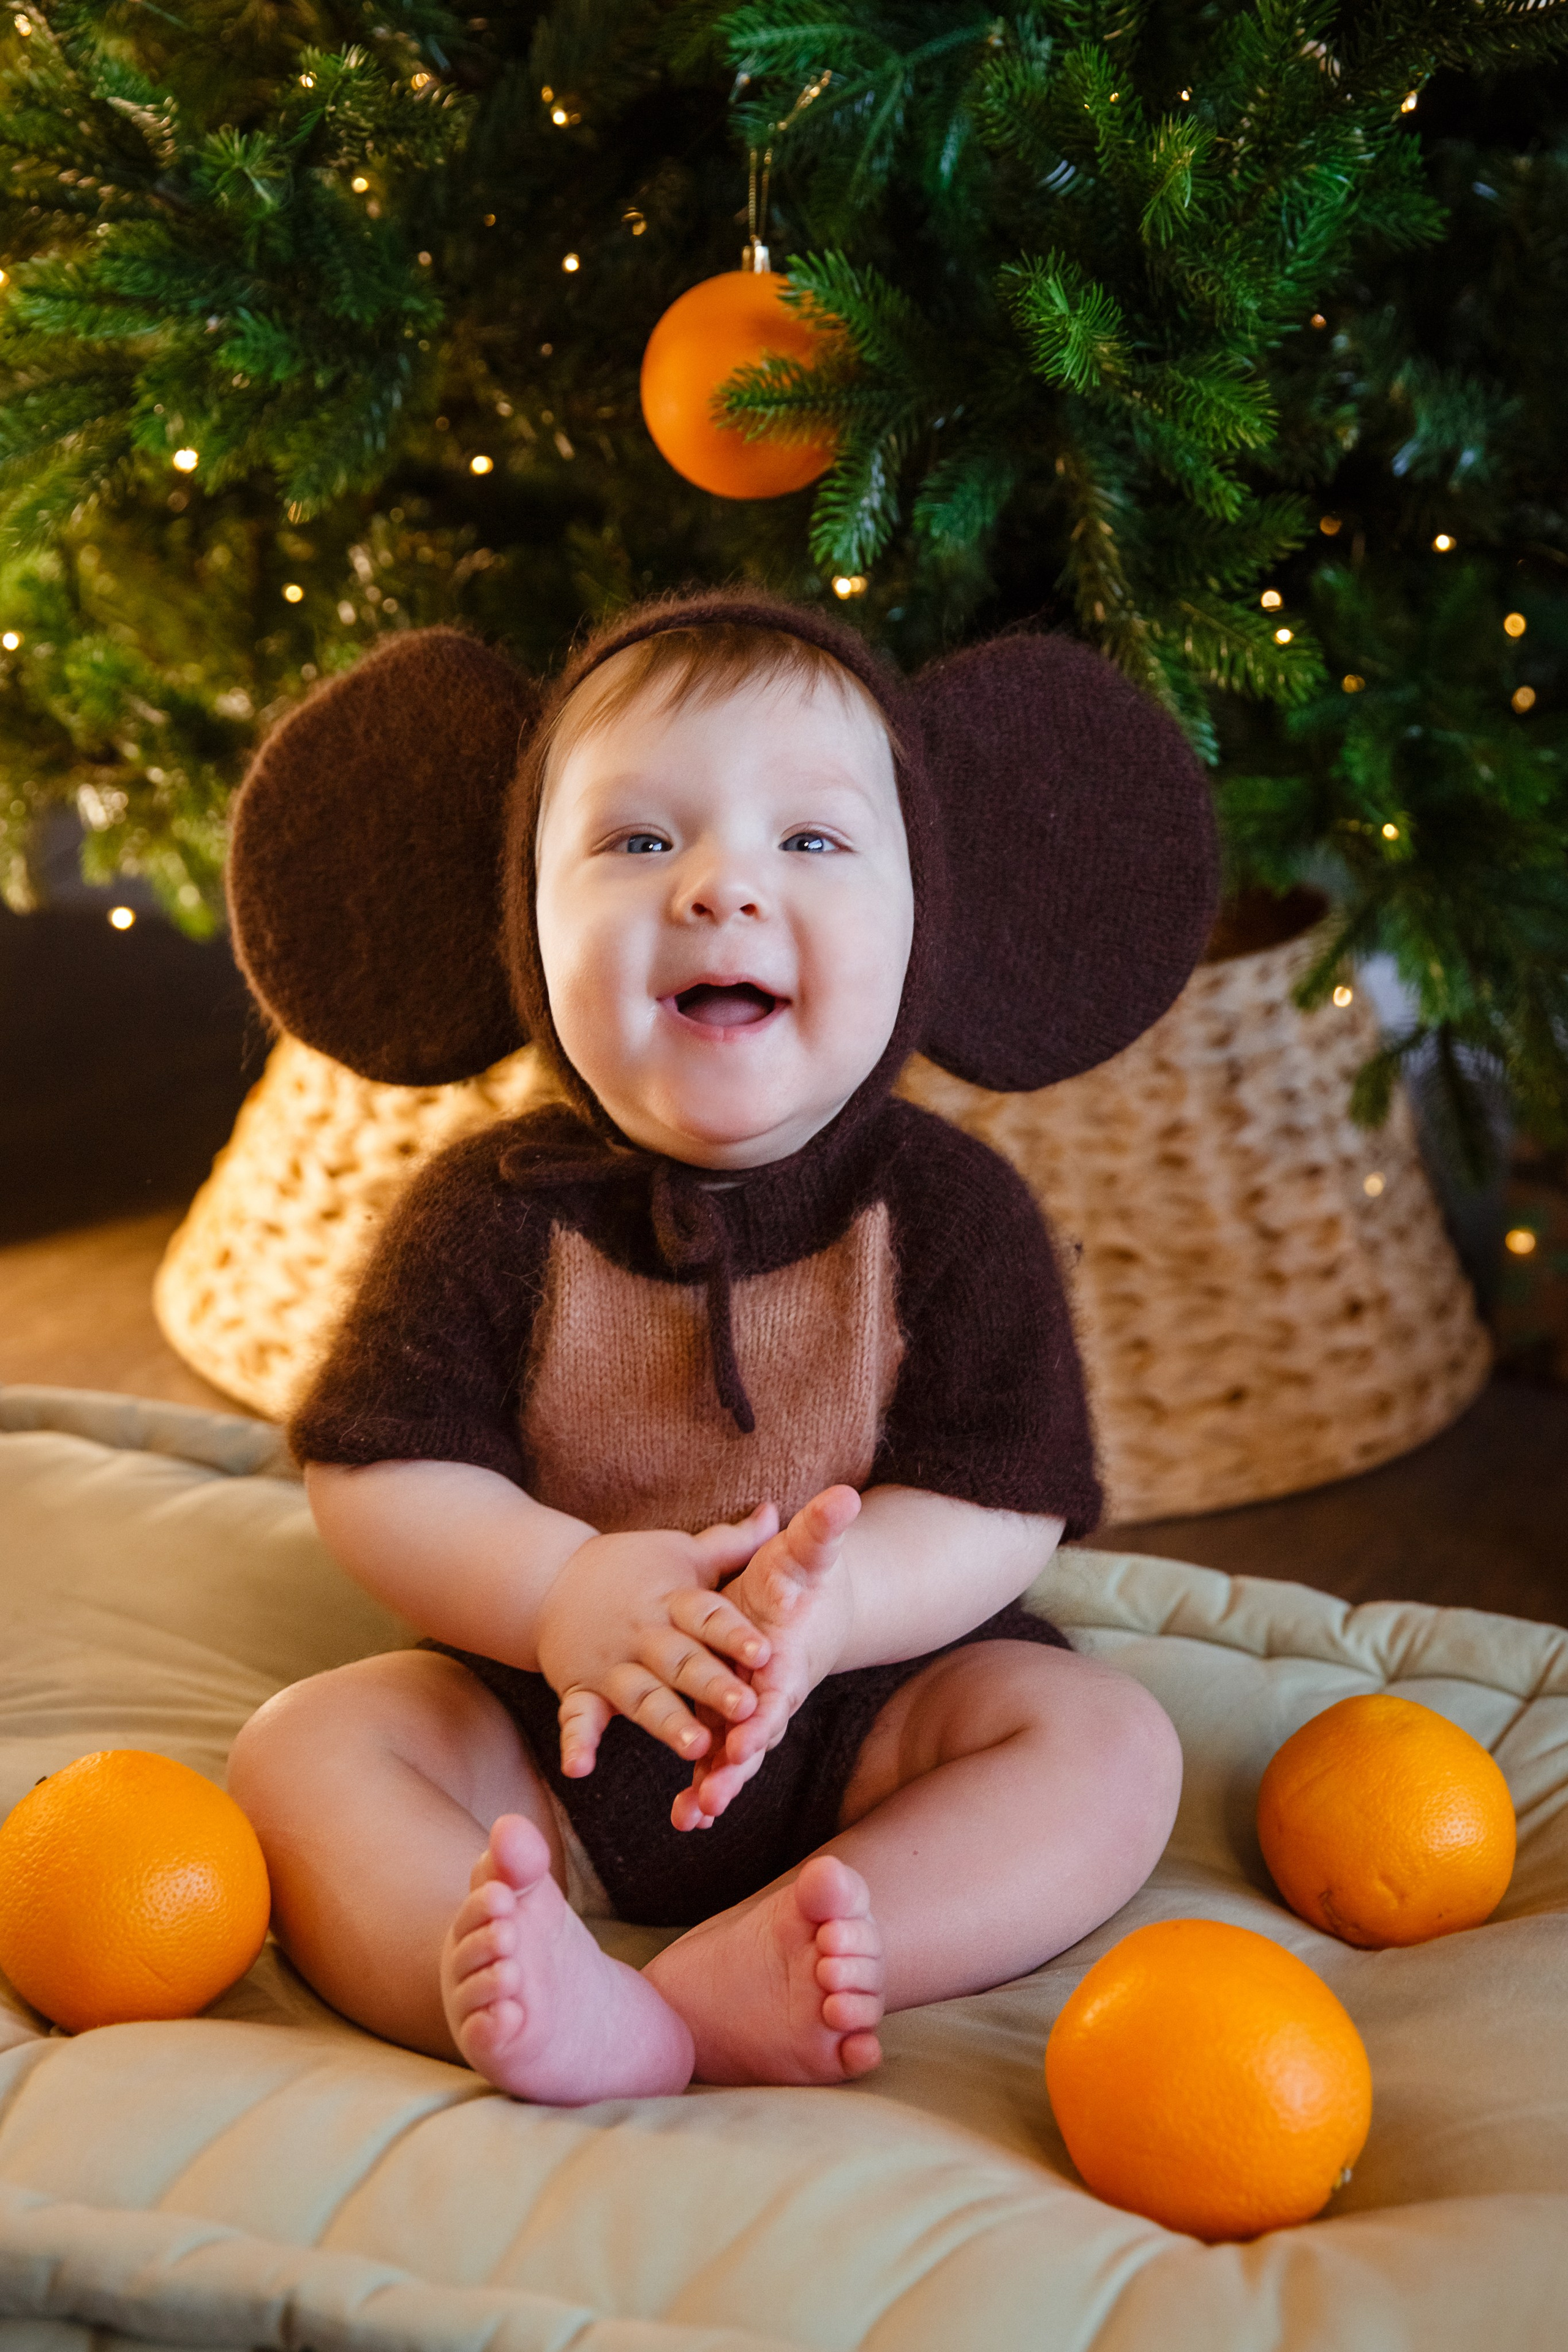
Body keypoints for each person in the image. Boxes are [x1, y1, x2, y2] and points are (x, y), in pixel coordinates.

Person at [225, 590, 1218, 2105]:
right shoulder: (485, 1215)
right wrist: (559, 1586)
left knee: (1105, 1748)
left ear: (926, 921)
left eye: (809, 843)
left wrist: (841, 1609)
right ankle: (515, 1977)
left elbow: (1001, 1497)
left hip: (867, 1719)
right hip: (537, 1724)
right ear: (522, 925)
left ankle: (800, 1939)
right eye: (634, 842)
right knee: (305, 1750)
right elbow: (379, 1474)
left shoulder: (951, 1214)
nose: (717, 890)